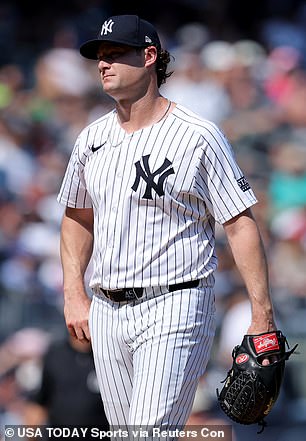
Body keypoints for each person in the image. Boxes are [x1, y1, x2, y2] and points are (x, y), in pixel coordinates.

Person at [57, 14, 277, 432]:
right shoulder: (91, 139)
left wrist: (262, 314)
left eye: (115, 53)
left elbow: (239, 222)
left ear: (149, 57)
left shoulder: (197, 134)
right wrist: (73, 292)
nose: (103, 63)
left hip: (176, 303)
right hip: (106, 309)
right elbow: (75, 217)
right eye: (99, 56)